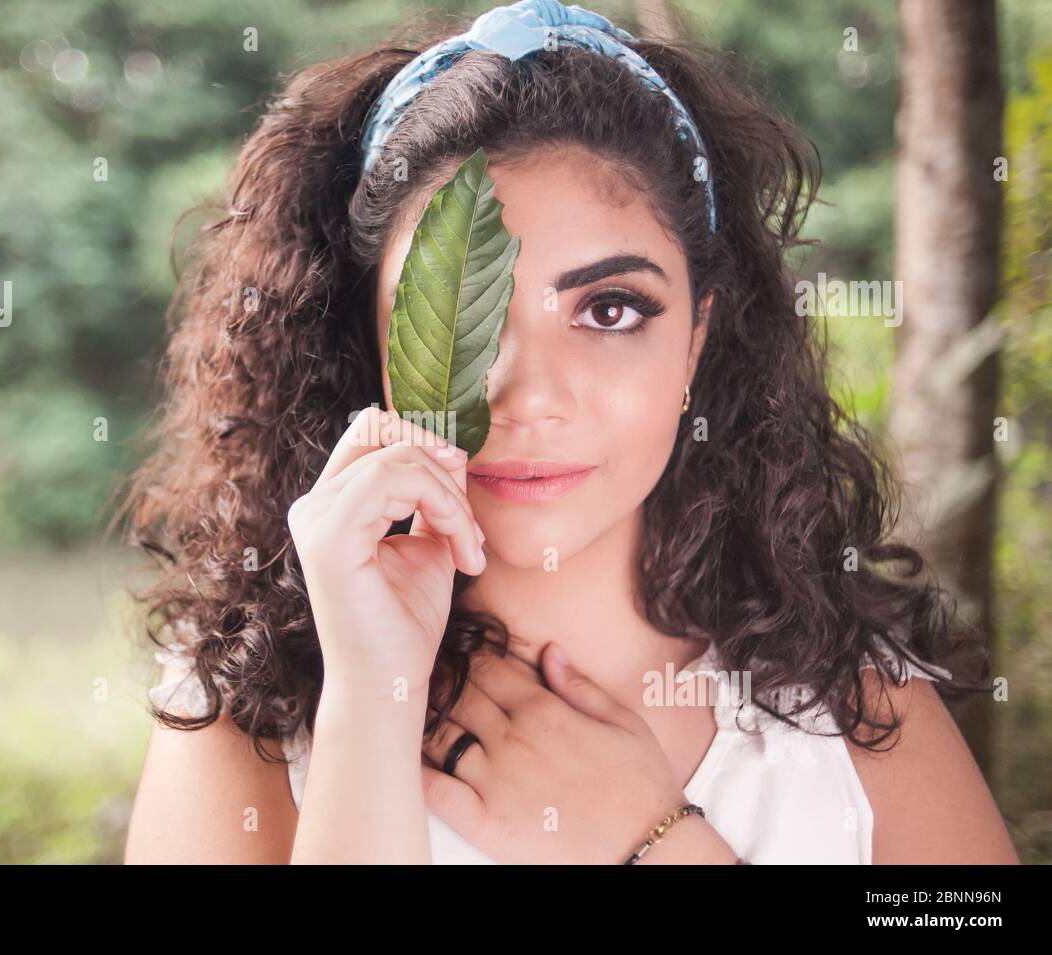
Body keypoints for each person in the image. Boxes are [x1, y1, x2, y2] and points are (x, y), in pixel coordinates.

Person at [120, 0, 1018, 864]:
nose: (530, 396)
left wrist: (656, 842)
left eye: (611, 309)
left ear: (698, 338)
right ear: (371, 341)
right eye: (460, 318)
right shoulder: (240, 716)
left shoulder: (854, 703)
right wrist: (369, 699)